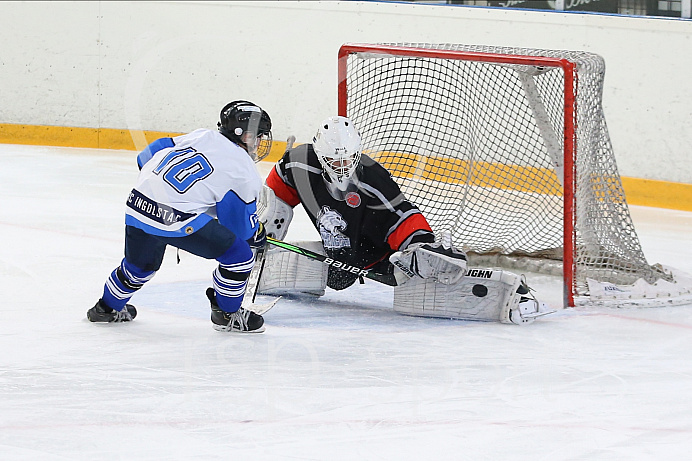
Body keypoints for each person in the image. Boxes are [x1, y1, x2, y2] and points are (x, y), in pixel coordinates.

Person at [256, 115, 550, 325]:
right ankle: (255, 265)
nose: (343, 167)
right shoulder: (297, 162)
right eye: (335, 161)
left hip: (381, 250)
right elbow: (278, 191)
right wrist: (263, 231)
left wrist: (418, 246)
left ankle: (509, 293)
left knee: (417, 267)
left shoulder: (372, 177)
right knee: (336, 276)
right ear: (320, 156)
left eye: (349, 159)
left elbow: (402, 213)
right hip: (339, 250)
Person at [87, 100, 272, 333]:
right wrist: (257, 233)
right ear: (243, 135)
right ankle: (227, 314)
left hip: (138, 204)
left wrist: (165, 191)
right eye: (257, 136)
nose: (258, 143)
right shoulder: (244, 170)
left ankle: (105, 308)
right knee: (240, 257)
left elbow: (146, 156)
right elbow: (240, 230)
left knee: (139, 267)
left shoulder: (201, 136)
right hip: (177, 219)